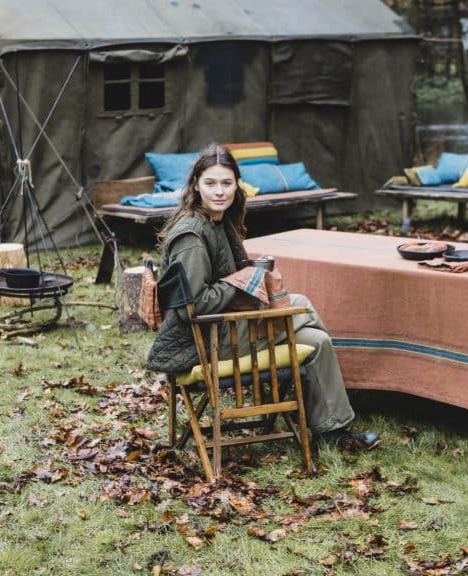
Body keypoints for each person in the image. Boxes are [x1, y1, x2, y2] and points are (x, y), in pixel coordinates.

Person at [146, 143, 379, 450]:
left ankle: (332, 432)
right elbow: (193, 306)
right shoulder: (192, 236)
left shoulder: (218, 224)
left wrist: (251, 275)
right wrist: (241, 280)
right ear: (196, 186)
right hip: (204, 341)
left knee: (317, 342)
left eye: (227, 183)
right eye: (211, 183)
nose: (220, 191)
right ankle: (303, 396)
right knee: (300, 304)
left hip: (227, 328)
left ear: (236, 185)